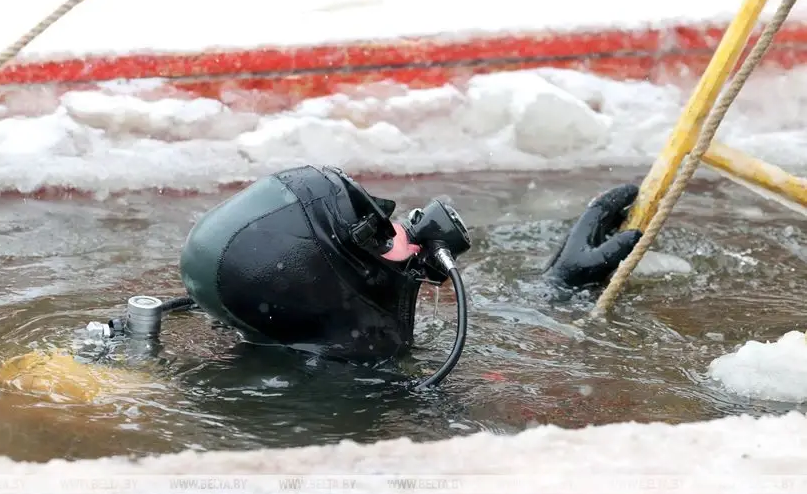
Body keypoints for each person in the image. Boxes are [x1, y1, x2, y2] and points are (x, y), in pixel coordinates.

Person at [178, 165, 643, 385]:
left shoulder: (316, 356)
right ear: (339, 281)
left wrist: (558, 285)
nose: (401, 225)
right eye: (378, 230)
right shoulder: (395, 400)